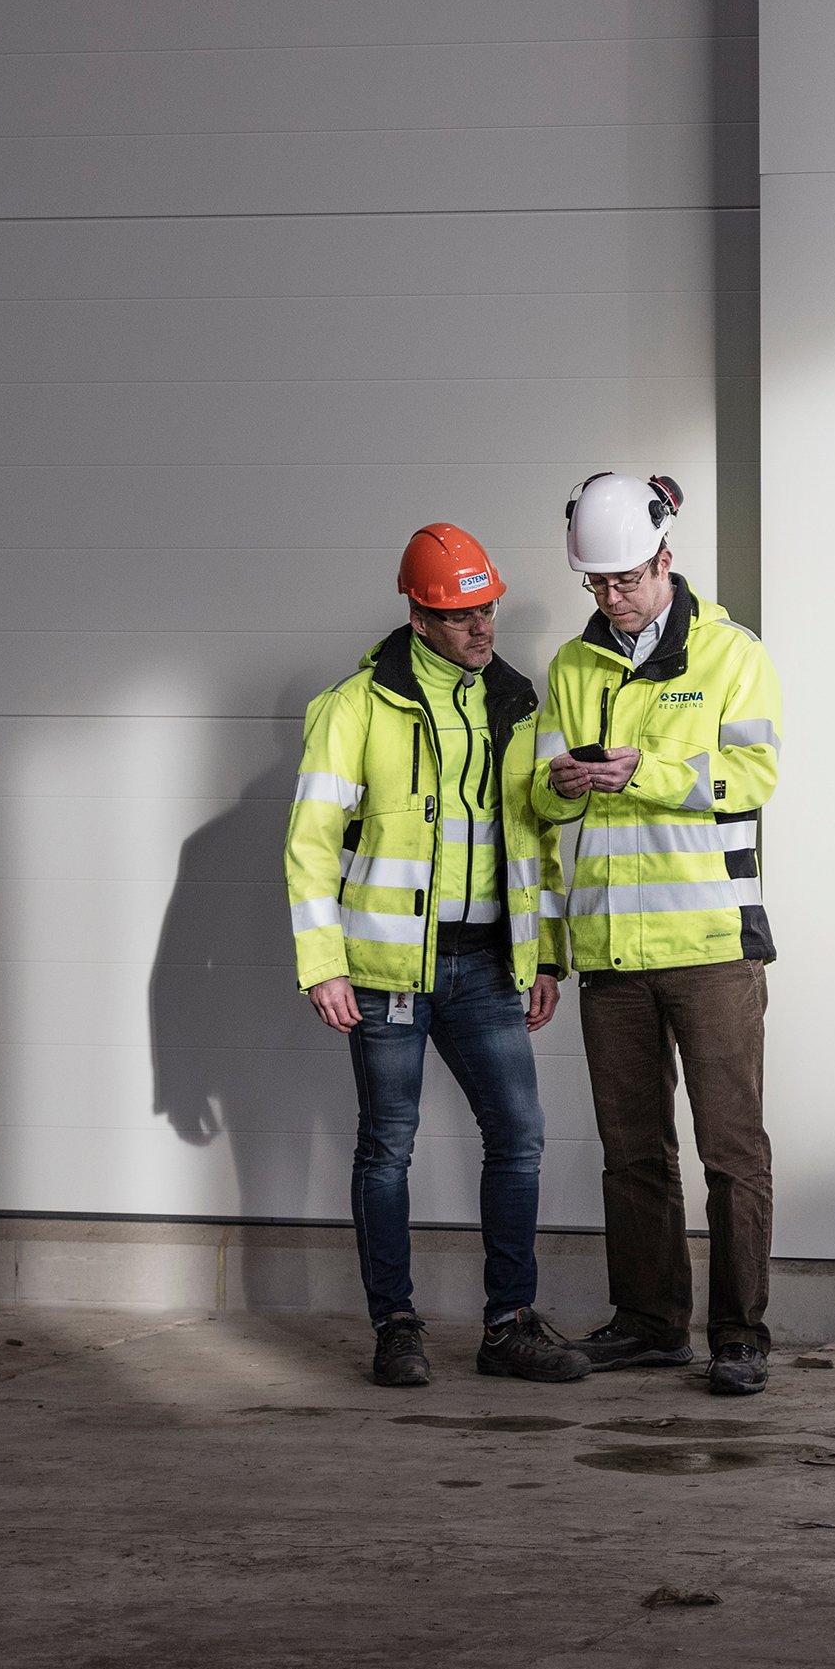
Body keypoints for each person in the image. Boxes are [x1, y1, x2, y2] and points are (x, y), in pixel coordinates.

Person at [286, 524, 587, 1389]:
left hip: (489, 965)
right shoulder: (356, 709)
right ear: (419, 617)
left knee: (519, 1138)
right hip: (385, 973)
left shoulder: (517, 703)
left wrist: (547, 956)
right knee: (387, 1147)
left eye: (487, 608)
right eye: (460, 616)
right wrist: (324, 962)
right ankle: (396, 1324)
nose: (482, 627)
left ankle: (508, 1324)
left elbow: (534, 838)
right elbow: (309, 846)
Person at [527, 473, 785, 1396]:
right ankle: (648, 1324)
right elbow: (532, 792)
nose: (611, 596)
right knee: (632, 1152)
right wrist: (553, 783)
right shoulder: (570, 666)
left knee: (731, 1149)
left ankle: (741, 1335)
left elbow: (753, 775)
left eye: (626, 579)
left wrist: (648, 771)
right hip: (611, 955)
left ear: (666, 560)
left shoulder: (730, 654)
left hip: (713, 947)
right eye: (596, 583)